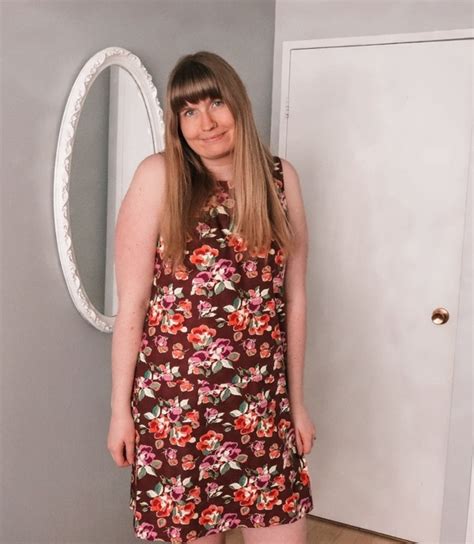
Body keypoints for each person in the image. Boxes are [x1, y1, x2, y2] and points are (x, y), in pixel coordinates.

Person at [107, 51, 317, 544]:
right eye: (189, 111)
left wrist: (298, 404)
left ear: (237, 103)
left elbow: (294, 298)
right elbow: (132, 306)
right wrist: (120, 411)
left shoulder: (280, 178)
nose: (207, 123)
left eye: (216, 103)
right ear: (177, 123)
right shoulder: (158, 176)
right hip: (176, 412)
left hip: (262, 407)